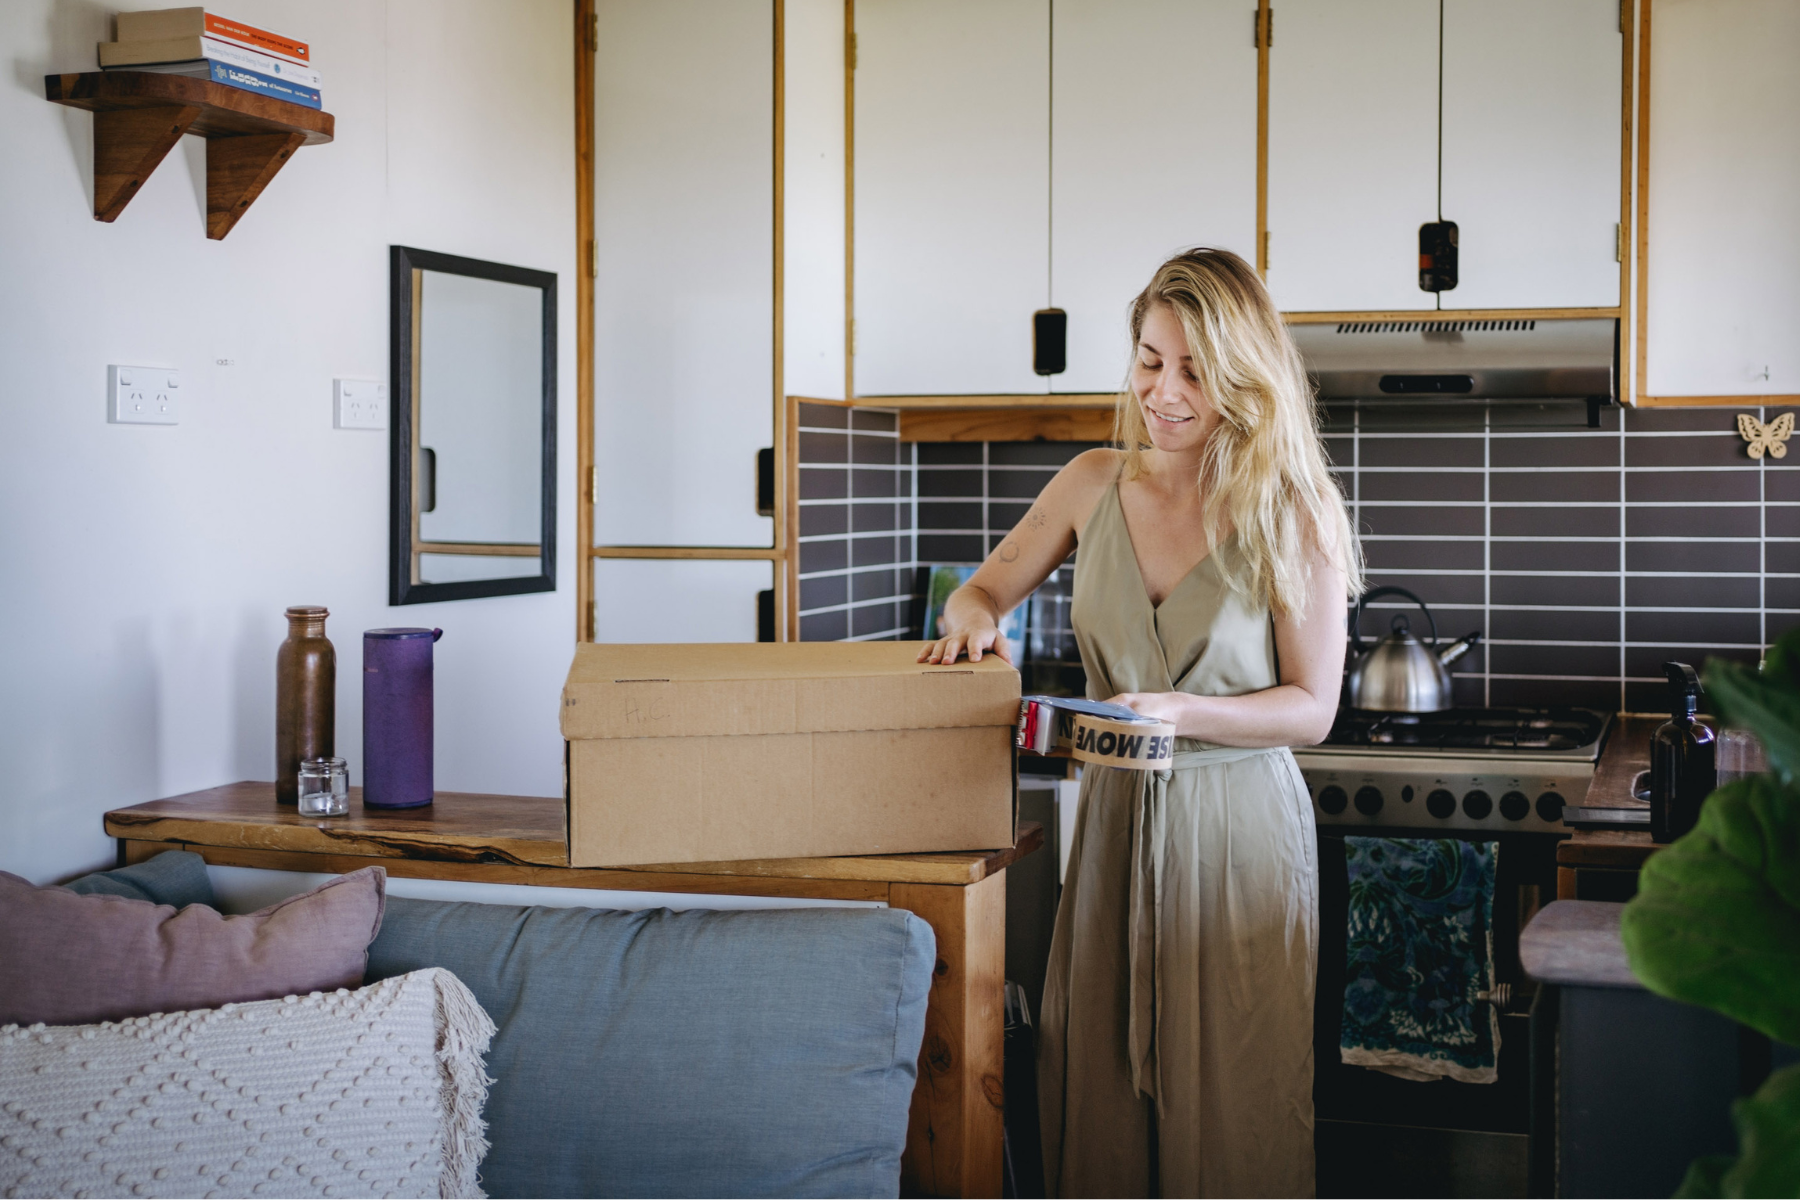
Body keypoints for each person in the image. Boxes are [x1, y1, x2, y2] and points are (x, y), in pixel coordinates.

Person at [918, 248, 1362, 1197]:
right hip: (1114, 829)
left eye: (1196, 370)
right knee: (1100, 1100)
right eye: (1151, 359)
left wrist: (1178, 711)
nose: (1164, 391)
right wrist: (975, 622)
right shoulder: (1089, 482)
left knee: (1236, 1111)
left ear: (1246, 374)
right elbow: (983, 589)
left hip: (1236, 837)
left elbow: (1313, 709)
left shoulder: (1294, 506)